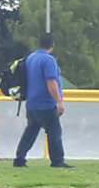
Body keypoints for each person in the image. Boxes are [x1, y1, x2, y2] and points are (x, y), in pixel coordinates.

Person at [13, 33, 71, 169]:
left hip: (31, 103)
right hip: (46, 104)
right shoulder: (49, 60)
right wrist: (59, 101)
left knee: (30, 132)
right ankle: (57, 161)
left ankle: (19, 159)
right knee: (54, 132)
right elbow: (51, 82)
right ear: (52, 44)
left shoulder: (31, 58)